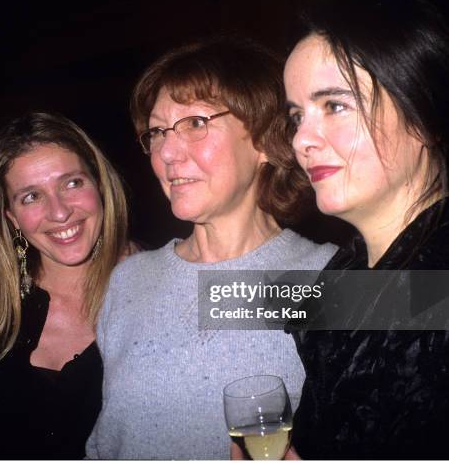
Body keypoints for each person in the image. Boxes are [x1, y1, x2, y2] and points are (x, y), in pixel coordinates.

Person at [85, 36, 337, 460]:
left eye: (196, 123)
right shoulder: (130, 279)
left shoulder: (327, 279)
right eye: (158, 131)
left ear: (263, 140)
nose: (166, 152)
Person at [283, 0, 449, 459]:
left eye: (334, 105)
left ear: (421, 114)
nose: (301, 140)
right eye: (297, 115)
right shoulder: (345, 272)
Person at [0, 111, 133, 458]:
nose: (59, 212)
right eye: (31, 196)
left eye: (72, 183)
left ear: (99, 184)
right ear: (10, 217)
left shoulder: (163, 283)